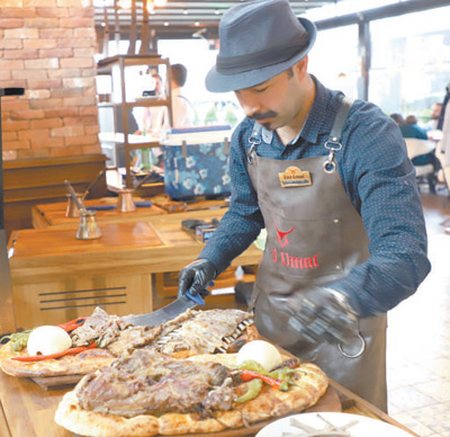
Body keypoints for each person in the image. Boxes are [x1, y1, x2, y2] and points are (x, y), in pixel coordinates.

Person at [176, 0, 430, 412]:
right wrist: (210, 259)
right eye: (240, 93)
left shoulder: (365, 133)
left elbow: (405, 252)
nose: (250, 107)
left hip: (345, 333)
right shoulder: (249, 137)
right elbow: (244, 212)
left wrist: (345, 298)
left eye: (260, 88)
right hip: (271, 326)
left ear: (300, 65)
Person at [170, 63, 196, 128]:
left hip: (180, 137)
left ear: (169, 78)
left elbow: (175, 127)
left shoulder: (175, 100)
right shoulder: (187, 97)